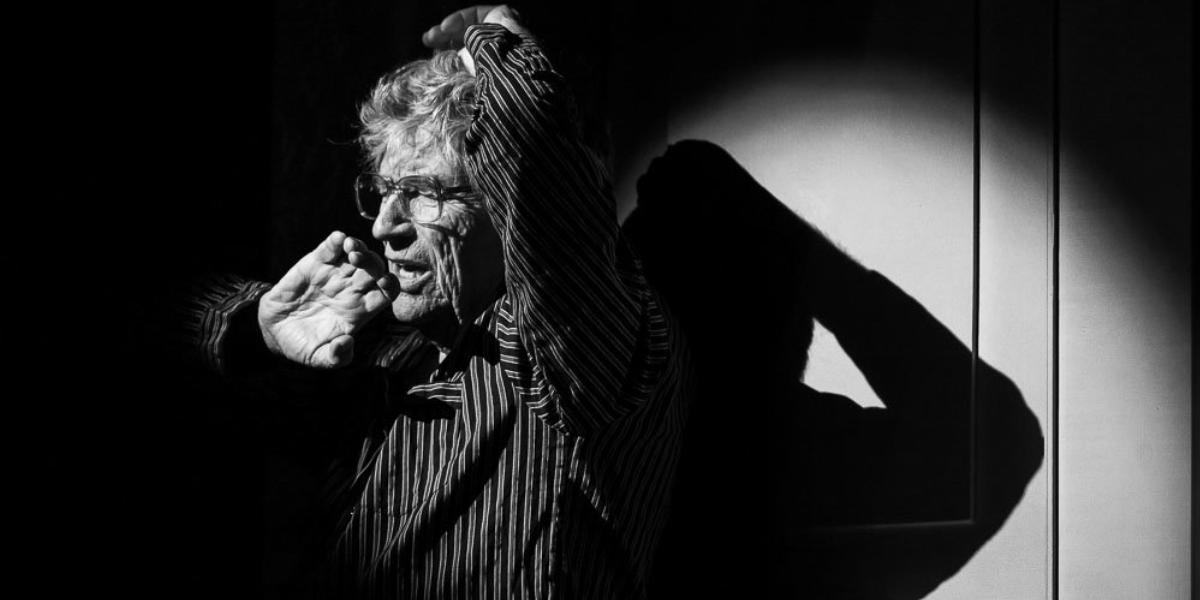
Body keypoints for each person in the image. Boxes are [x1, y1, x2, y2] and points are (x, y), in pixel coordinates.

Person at [183, 5, 689, 597]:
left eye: (424, 192)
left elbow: (544, 178)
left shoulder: (586, 344)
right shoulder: (393, 354)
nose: (384, 227)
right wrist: (258, 331)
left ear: (513, 207)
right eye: (383, 191)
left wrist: (497, 35)